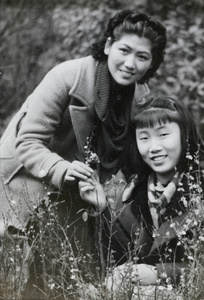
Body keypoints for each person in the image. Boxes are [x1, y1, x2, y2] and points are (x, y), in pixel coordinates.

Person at [0, 10, 166, 237]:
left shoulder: (137, 99)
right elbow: (28, 142)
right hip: (24, 176)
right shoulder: (66, 77)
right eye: (124, 50)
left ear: (151, 63)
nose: (130, 64)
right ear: (108, 46)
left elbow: (129, 158)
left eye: (142, 57)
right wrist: (63, 169)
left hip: (75, 182)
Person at [79, 96, 204, 293]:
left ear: (184, 135)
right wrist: (102, 207)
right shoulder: (134, 189)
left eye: (163, 135)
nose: (154, 148)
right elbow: (124, 255)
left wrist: (159, 273)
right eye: (144, 138)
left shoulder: (199, 187)